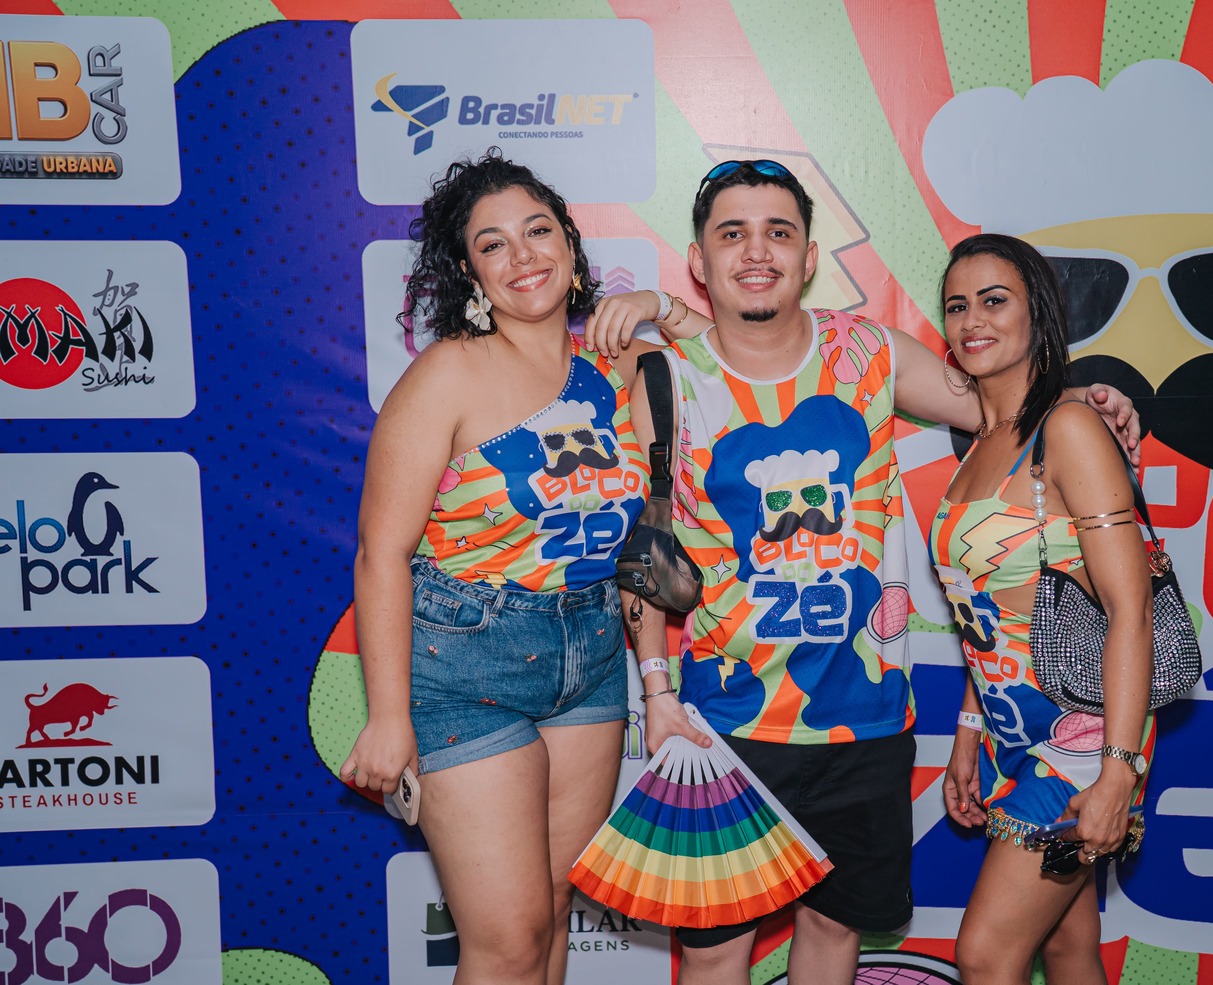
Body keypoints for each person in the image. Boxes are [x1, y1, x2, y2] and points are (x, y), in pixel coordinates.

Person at [610, 161, 1143, 985]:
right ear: (698, 259)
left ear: (808, 256)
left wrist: (1089, 400)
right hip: (724, 725)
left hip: (867, 723)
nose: (756, 251)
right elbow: (649, 549)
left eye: (777, 232)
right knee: (712, 952)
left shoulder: (868, 353)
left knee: (834, 928)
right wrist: (655, 690)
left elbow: (1006, 409)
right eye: (732, 233)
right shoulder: (666, 379)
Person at [337, 148, 708, 985]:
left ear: (571, 247)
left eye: (538, 231)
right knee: (505, 942)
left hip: (590, 653)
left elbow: (741, 359)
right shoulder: (447, 374)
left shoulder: (619, 365)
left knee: (549, 918)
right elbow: (380, 553)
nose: (522, 255)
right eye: (492, 244)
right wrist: (387, 716)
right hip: (466, 660)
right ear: (470, 273)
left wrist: (659, 307)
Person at [930, 234, 1153, 985]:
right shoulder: (980, 442)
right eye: (956, 305)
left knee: (986, 955)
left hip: (1082, 737)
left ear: (1039, 315)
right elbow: (988, 613)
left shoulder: (1068, 428)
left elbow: (1129, 609)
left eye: (994, 301)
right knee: (1065, 945)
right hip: (1011, 733)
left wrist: (1117, 772)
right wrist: (969, 730)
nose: (972, 319)